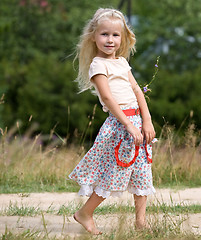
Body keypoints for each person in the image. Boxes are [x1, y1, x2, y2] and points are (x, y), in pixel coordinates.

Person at [68, 8, 156, 235]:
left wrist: (146, 120)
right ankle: (85, 213)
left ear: (123, 38)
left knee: (142, 173)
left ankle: (141, 221)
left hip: (137, 123)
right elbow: (107, 97)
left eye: (115, 35)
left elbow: (137, 90)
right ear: (93, 36)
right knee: (114, 173)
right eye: (104, 34)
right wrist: (128, 124)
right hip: (120, 127)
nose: (110, 40)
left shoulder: (122, 63)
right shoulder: (98, 65)